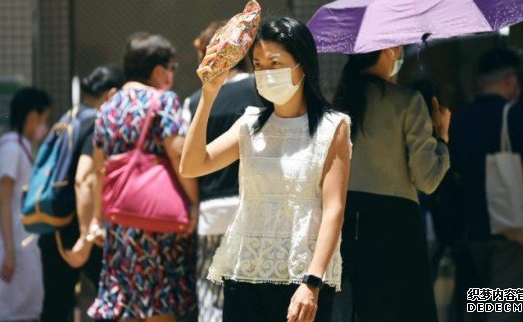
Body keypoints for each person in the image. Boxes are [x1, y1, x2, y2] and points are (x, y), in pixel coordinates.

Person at [180, 17, 352, 322]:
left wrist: (312, 282)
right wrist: (207, 96)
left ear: (302, 64)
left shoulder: (332, 126)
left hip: (303, 279)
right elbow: (192, 165)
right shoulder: (249, 124)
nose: (265, 72)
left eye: (275, 62)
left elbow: (333, 209)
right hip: (244, 272)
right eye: (258, 64)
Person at [331, 47, 451, 322]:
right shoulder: (407, 101)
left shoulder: (336, 105)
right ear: (389, 50)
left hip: (343, 223)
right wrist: (442, 138)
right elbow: (427, 180)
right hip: (396, 224)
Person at [88, 33, 199, 322]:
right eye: (172, 68)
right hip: (157, 221)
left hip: (120, 221)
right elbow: (178, 155)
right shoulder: (163, 101)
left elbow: (99, 169)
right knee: (158, 302)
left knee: (126, 301)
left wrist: (97, 219)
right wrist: (194, 202)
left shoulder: (107, 109)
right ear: (159, 70)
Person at [450, 47, 523, 322]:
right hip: (510, 225)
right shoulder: (514, 115)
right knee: (505, 307)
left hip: (474, 226)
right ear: (510, 80)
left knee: (486, 302)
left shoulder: (461, 118)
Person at [182, 20, 261, 322]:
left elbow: (185, 158)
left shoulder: (192, 102)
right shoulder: (259, 90)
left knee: (211, 296)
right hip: (250, 207)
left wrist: (194, 202)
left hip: (211, 210)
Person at [38, 65, 123, 322]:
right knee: (113, 303)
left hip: (53, 225)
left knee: (55, 307)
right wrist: (87, 236)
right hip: (79, 230)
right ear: (111, 94)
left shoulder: (67, 118)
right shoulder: (96, 122)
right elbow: (84, 179)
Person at [0, 87, 51, 322]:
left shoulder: (23, 148)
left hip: (23, 243)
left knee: (26, 310)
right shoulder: (11, 149)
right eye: (44, 119)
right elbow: (3, 199)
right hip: (14, 243)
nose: (44, 126)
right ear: (32, 116)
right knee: (12, 312)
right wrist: (9, 250)